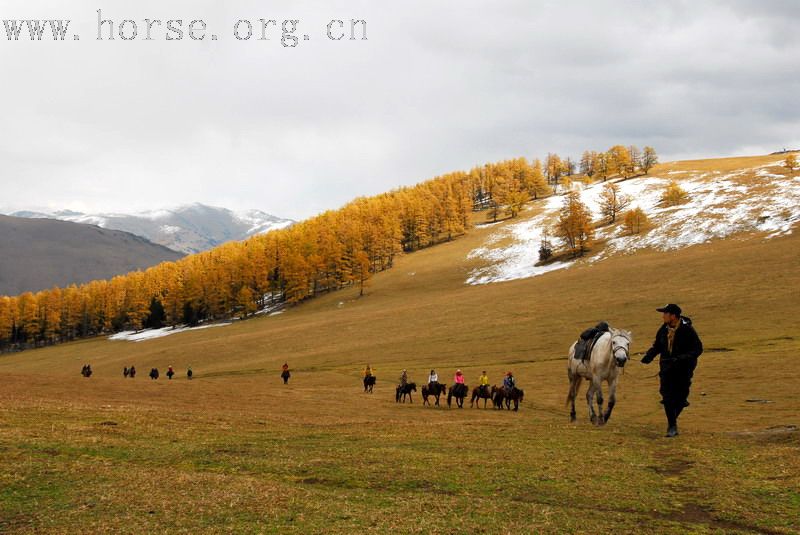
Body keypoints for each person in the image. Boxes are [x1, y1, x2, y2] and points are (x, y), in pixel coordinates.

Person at [641, 304, 703, 438]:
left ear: (673, 316)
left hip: (684, 370)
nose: (663, 316)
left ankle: (672, 420)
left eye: (665, 313)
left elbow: (698, 349)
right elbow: (657, 345)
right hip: (666, 369)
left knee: (680, 399)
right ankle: (672, 426)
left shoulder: (687, 330)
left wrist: (681, 358)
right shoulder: (663, 329)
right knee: (667, 397)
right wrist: (649, 356)